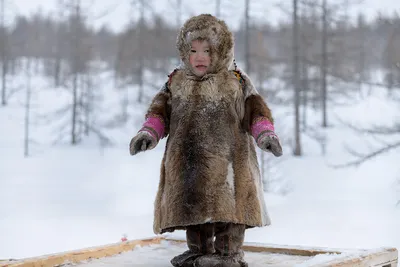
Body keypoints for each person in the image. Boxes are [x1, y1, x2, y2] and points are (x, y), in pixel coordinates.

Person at [129, 14, 282, 267]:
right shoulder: (175, 82)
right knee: (194, 208)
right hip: (189, 163)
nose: (199, 57)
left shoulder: (235, 81)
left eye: (207, 50)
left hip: (229, 163)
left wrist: (265, 134)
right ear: (183, 51)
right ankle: (198, 251)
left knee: (228, 210)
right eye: (193, 50)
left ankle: (228, 253)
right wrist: (148, 133)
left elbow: (256, 110)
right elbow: (159, 113)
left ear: (220, 51)